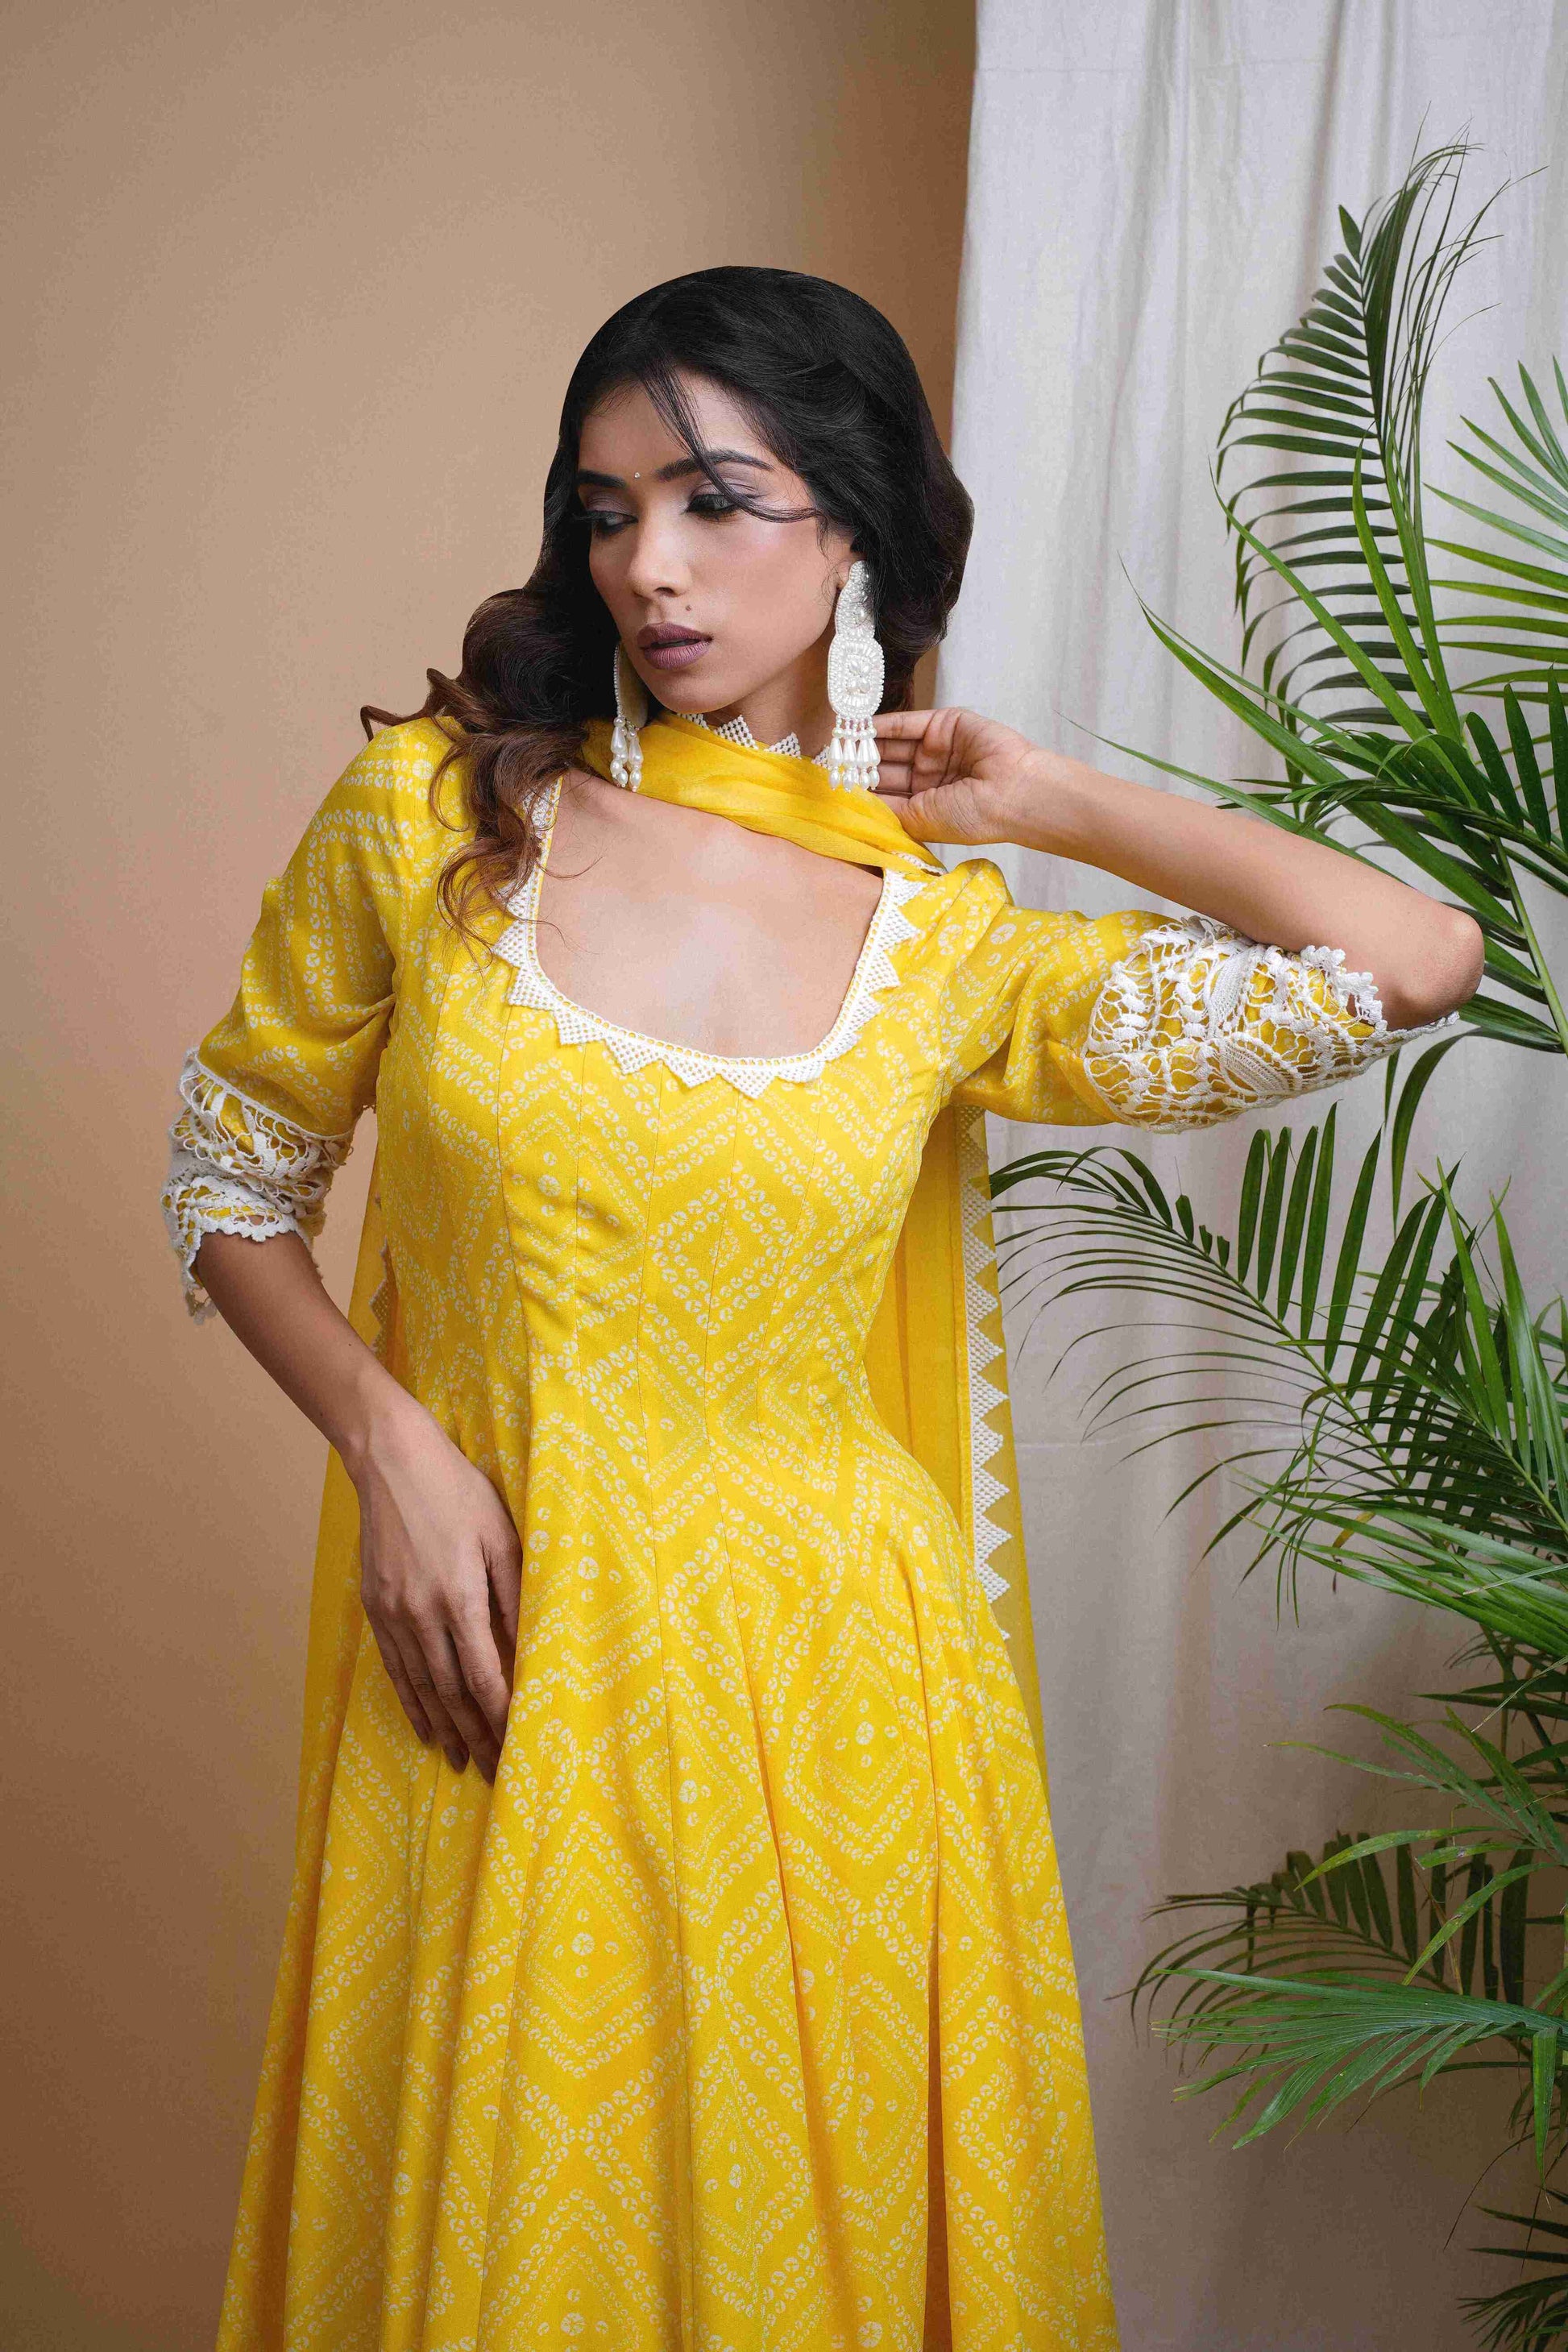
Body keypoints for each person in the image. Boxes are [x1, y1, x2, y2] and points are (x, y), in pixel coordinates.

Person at [162, 265, 1482, 2352]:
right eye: (606, 510)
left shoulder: (947, 950)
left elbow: (1409, 961)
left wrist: (1047, 801)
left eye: (718, 502)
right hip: (503, 1647)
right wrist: (390, 1441)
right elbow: (233, 1176)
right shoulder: (439, 819)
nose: (650, 566)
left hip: (846, 1709)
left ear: (856, 522)